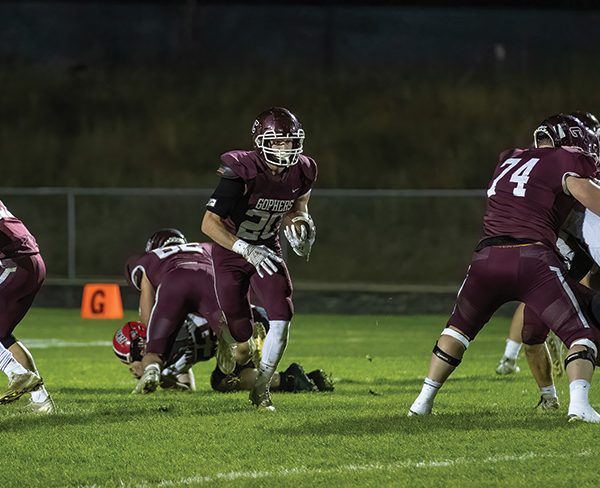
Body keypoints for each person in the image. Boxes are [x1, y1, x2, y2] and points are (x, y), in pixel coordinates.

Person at [409, 113, 600, 422]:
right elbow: (592, 200)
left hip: (486, 257)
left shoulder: (509, 159)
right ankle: (579, 406)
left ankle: (422, 402)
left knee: (457, 330)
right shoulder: (567, 159)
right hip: (533, 258)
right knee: (582, 334)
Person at [201, 107, 318, 411]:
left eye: (290, 141)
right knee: (242, 329)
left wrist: (301, 223)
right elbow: (209, 223)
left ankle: (262, 388)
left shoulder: (303, 169)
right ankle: (232, 334)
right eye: (278, 142)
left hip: (267, 246)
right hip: (230, 251)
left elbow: (297, 206)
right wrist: (243, 248)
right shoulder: (241, 170)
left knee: (283, 312)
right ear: (260, 141)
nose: (286, 148)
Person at [496, 111, 600, 379]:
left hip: (563, 253)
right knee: (537, 324)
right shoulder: (564, 172)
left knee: (582, 328)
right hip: (549, 253)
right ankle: (538, 380)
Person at [112, 311, 333, 394]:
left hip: (241, 323)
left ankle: (246, 344)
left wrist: (151, 373)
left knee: (229, 365)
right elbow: (186, 386)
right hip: (241, 324)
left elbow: (173, 367)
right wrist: (159, 379)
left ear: (140, 346)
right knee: (225, 380)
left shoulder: (167, 330)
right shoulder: (168, 347)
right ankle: (297, 380)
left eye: (133, 358)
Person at [124, 228, 223, 394]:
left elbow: (147, 310)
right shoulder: (205, 248)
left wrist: (152, 342)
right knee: (236, 348)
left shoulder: (149, 259)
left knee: (158, 348)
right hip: (209, 311)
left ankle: (153, 370)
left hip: (174, 297)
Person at [0, 200, 54, 413]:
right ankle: (43, 402)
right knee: (3, 336)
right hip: (31, 263)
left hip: (14, 263)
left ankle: (16, 371)